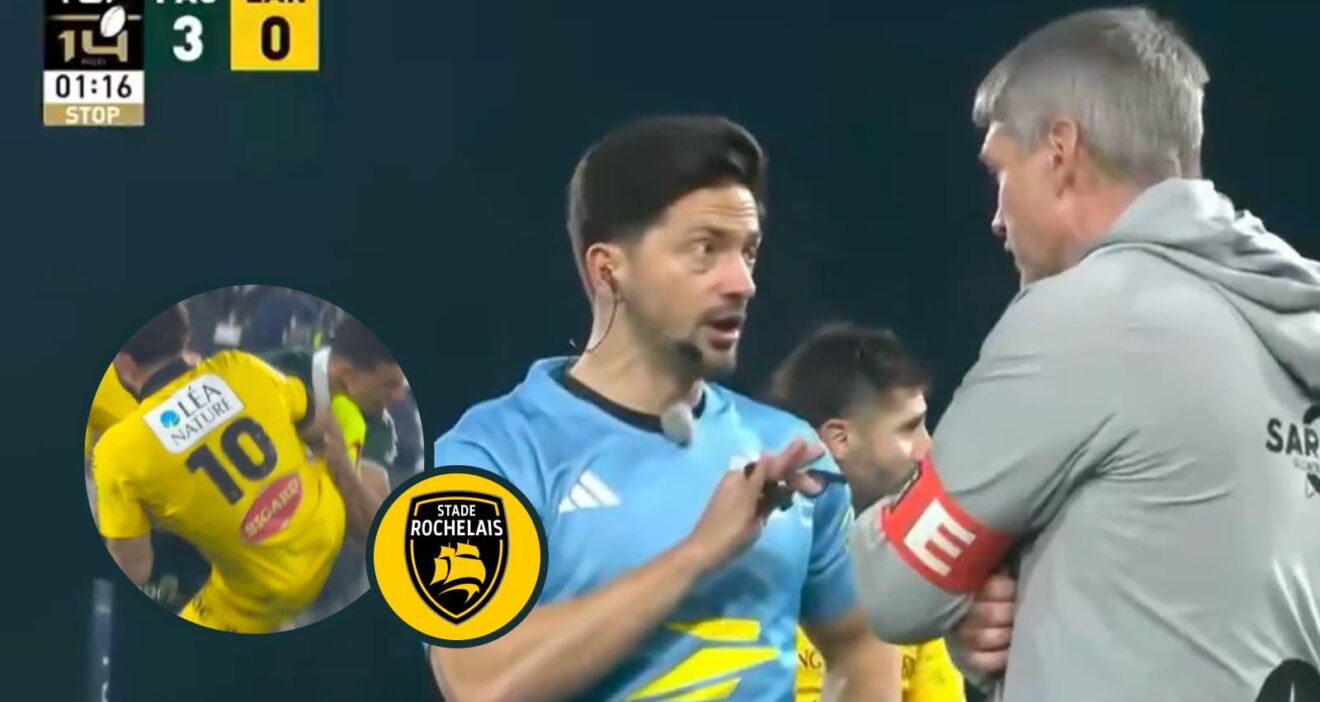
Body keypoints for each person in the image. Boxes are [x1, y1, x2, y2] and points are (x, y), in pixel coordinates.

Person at [849, 6, 1320, 702]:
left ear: (1060, 150)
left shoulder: (1087, 320)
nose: (997, 216)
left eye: (999, 172)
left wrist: (957, 579)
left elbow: (895, 589)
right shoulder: (1292, 313)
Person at [429, 115, 902, 701]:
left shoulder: (791, 450)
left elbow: (861, 643)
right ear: (609, 271)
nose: (743, 282)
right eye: (706, 250)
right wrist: (698, 553)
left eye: (747, 252)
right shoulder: (487, 454)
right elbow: (477, 681)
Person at [91, 303, 364, 633]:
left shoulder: (115, 450)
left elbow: (135, 569)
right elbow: (319, 424)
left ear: (124, 363)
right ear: (183, 335)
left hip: (268, 590)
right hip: (330, 525)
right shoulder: (241, 365)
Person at [768, 322, 965, 702]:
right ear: (839, 438)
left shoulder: (911, 570)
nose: (930, 449)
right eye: (909, 429)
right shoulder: (750, 559)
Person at [266, 313, 410, 626]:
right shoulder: (270, 373)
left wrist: (344, 468)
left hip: (323, 594)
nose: (399, 397)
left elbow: (373, 532)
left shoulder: (375, 423)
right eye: (390, 384)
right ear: (347, 375)